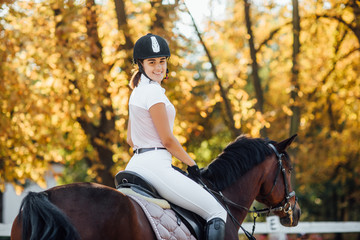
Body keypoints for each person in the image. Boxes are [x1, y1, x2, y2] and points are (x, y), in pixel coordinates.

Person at [124, 33, 227, 240]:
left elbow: (130, 139)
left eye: (162, 61)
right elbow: (167, 139)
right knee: (217, 212)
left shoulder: (137, 91)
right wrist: (192, 165)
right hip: (155, 167)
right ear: (141, 65)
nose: (159, 67)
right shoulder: (153, 93)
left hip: (134, 165)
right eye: (152, 62)